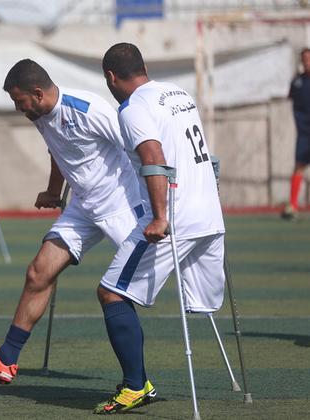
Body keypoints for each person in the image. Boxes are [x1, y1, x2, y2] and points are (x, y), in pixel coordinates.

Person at [0, 59, 147, 390]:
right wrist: (53, 189)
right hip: (82, 207)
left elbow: (136, 146)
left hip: (121, 205)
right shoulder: (39, 113)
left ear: (37, 92)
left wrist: (158, 198)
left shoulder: (89, 109)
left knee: (121, 291)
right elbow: (58, 151)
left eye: (20, 102)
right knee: (38, 272)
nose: (19, 109)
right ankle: (5, 359)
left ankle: (136, 380)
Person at [89, 42, 226, 414]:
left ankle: (136, 386)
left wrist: (160, 217)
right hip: (210, 213)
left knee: (112, 293)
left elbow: (153, 159)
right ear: (143, 67)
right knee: (196, 300)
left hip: (176, 217)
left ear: (110, 77)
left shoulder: (133, 107)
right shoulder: (177, 92)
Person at [282, 48, 310, 220]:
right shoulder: (297, 82)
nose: (307, 61)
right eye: (305, 59)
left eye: (309, 58)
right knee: (299, 167)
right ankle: (292, 205)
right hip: (304, 134)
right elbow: (290, 99)